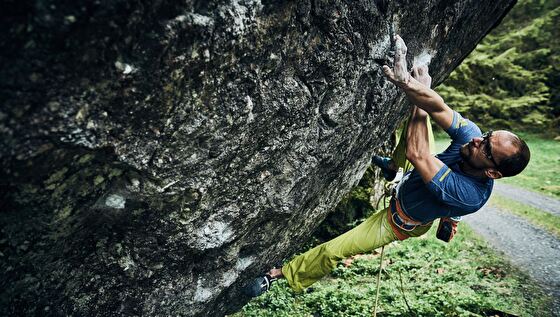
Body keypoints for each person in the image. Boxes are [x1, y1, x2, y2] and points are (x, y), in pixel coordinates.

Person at [246, 35, 530, 296]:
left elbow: (419, 154)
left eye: (487, 147)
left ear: (493, 172)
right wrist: (410, 84)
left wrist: (417, 91)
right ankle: (393, 168)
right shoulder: (473, 139)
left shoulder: (471, 195)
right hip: (419, 177)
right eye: (488, 135)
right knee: (416, 124)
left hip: (398, 221)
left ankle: (278, 274)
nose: (479, 139)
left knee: (334, 250)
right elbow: (440, 108)